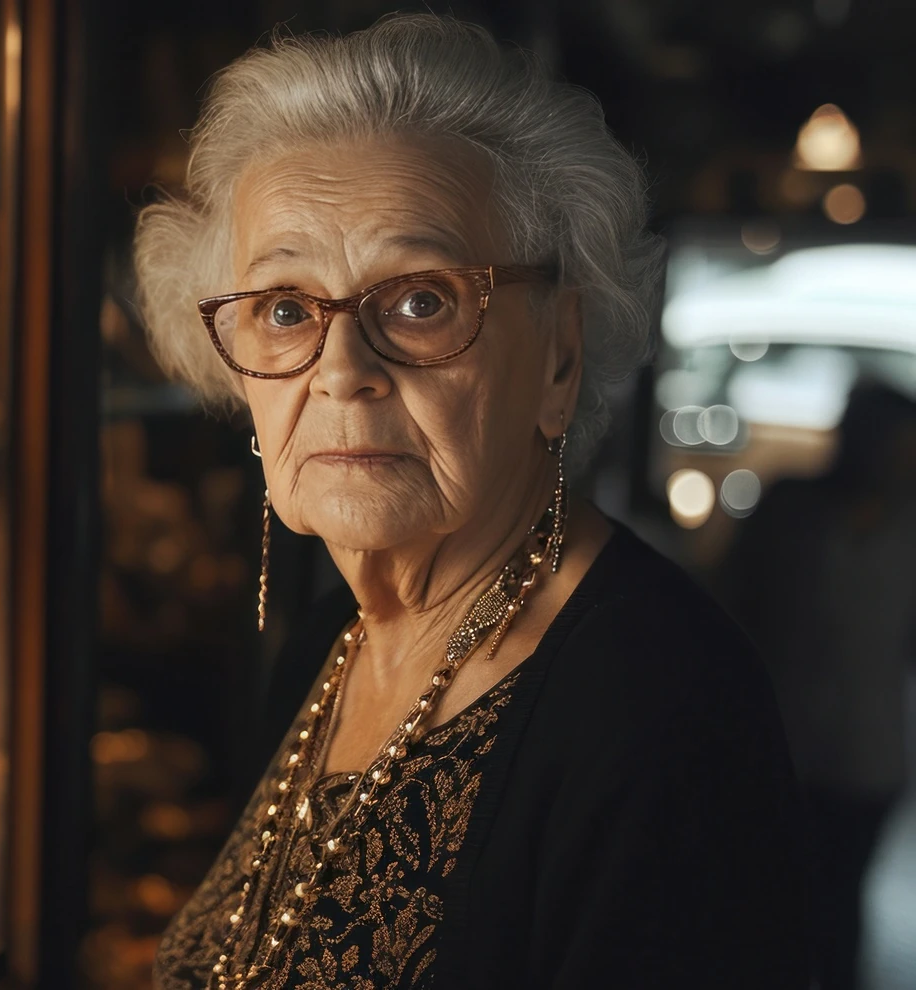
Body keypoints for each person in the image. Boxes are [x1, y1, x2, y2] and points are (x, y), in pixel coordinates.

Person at [134, 14, 810, 989]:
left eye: (421, 301)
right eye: (285, 309)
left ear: (560, 357)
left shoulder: (666, 713)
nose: (341, 371)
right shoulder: (329, 643)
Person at [721, 384, 916, 990]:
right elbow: (732, 606)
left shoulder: (908, 527)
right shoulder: (790, 509)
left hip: (867, 755)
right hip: (786, 743)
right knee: (771, 900)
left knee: (839, 906)